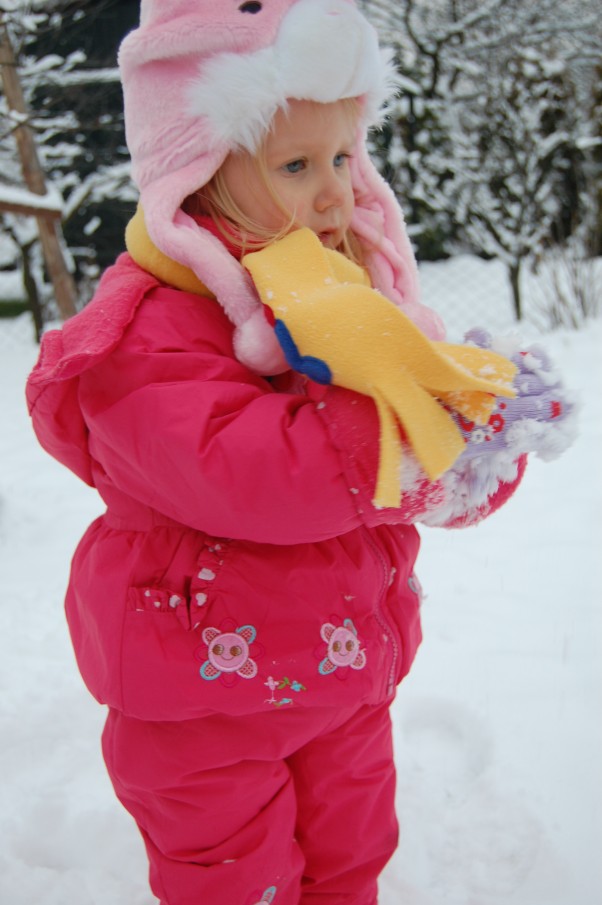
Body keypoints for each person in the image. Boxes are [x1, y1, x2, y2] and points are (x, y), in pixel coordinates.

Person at [25, 3, 575, 904]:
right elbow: (254, 474)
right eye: (295, 165)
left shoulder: (343, 299)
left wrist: (474, 439)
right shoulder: (145, 331)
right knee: (240, 884)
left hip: (346, 681)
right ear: (197, 173)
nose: (332, 193)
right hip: (200, 698)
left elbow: (413, 471)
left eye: (341, 158)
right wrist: (411, 438)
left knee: (350, 864)